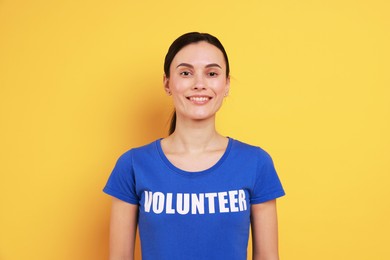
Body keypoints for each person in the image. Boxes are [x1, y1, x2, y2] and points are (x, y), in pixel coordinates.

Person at [103, 32, 285, 260]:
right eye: (186, 73)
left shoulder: (256, 163)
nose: (200, 84)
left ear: (226, 84)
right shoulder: (132, 165)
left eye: (211, 73)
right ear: (167, 83)